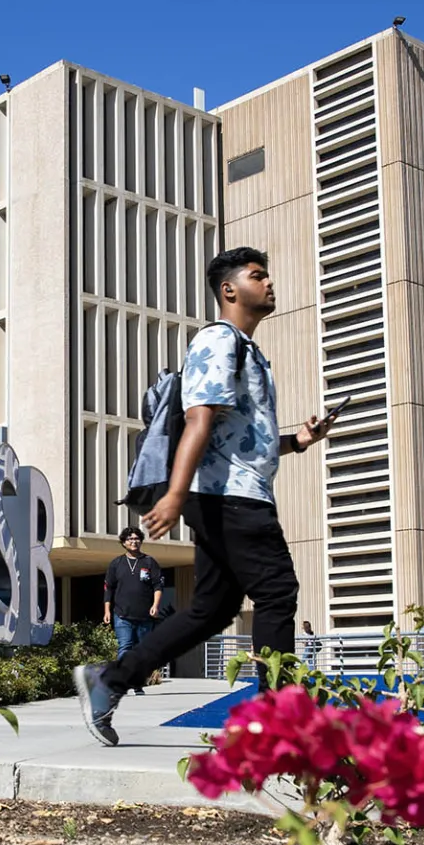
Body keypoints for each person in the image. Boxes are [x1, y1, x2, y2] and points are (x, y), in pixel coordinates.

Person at [73, 247, 332, 746]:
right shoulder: (219, 340)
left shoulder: (249, 351)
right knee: (277, 592)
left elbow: (243, 440)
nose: (269, 283)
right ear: (229, 290)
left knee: (212, 609)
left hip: (233, 492)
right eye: (258, 276)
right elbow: (198, 419)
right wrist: (174, 495)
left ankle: (109, 680)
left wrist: (298, 440)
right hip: (229, 496)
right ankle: (279, 722)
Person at [102, 526, 165, 696]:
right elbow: (108, 588)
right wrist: (107, 610)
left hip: (145, 616)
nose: (133, 541)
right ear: (124, 542)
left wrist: (155, 605)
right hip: (122, 614)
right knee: (125, 647)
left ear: (141, 541)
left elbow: (158, 586)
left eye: (137, 538)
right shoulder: (116, 563)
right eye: (130, 539)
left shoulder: (149, 562)